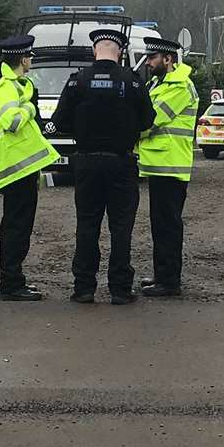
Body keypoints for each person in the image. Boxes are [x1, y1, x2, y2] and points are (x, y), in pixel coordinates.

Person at [51, 27, 153, 305]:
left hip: (86, 162)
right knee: (121, 228)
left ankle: (84, 287)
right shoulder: (132, 82)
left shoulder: (78, 81)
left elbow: (59, 122)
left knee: (87, 224)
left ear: (95, 50)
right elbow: (148, 120)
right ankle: (120, 289)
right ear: (119, 52)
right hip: (121, 163)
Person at [0, 35, 60, 300]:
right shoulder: (6, 88)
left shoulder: (18, 86)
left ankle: (16, 280)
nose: (31, 62)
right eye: (29, 57)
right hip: (13, 169)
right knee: (16, 228)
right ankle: (11, 285)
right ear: (23, 59)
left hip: (21, 169)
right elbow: (12, 122)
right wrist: (28, 106)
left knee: (19, 227)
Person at [136, 37, 198, 297]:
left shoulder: (180, 86)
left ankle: (169, 282)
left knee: (168, 224)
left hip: (171, 165)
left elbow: (151, 120)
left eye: (152, 58)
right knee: (159, 223)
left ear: (168, 59)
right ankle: (162, 274)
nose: (148, 63)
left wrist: (124, 131)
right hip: (160, 164)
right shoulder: (159, 83)